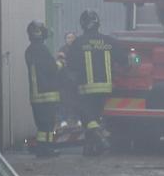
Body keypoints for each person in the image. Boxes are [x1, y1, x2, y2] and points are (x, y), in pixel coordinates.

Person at [65, 10, 125, 156]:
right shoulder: (109, 41)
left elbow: (71, 66)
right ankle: (91, 148)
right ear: (98, 23)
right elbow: (124, 60)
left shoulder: (77, 43)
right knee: (95, 117)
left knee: (88, 118)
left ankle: (102, 140)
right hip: (105, 88)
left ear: (83, 25)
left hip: (86, 89)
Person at [24, 20, 64, 157]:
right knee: (48, 125)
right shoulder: (42, 49)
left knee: (42, 126)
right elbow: (52, 68)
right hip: (48, 94)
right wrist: (61, 62)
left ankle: (43, 149)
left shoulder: (29, 50)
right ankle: (47, 149)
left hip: (36, 96)